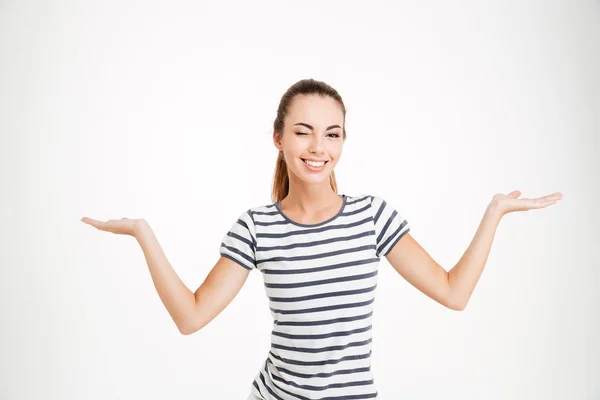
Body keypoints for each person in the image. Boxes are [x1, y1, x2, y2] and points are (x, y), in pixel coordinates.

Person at [81, 78, 563, 399]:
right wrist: (143, 235)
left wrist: (494, 213)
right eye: (303, 132)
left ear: (343, 142)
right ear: (279, 138)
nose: (318, 148)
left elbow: (454, 293)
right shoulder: (256, 227)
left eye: (332, 135)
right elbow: (191, 317)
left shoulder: (373, 217)